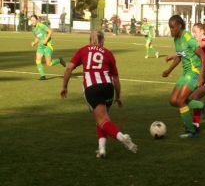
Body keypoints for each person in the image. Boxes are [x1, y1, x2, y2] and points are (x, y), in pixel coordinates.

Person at [60, 30, 137, 158]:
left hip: (92, 88)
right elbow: (116, 79)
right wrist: (118, 96)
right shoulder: (108, 53)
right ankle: (101, 149)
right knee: (102, 118)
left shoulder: (83, 50)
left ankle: (122, 137)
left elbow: (68, 68)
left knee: (102, 120)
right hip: (108, 87)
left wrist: (64, 86)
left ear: (90, 40)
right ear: (102, 41)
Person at [162, 15, 205, 138]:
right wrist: (168, 70)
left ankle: (191, 131)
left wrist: (201, 76)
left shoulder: (187, 36)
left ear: (179, 26)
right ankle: (201, 106)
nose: (171, 30)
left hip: (194, 72)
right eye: (170, 28)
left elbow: (202, 55)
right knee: (173, 101)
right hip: (186, 73)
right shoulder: (176, 39)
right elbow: (180, 56)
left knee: (181, 101)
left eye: (172, 27)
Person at [30, 14, 66, 80]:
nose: (32, 21)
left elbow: (50, 31)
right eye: (31, 20)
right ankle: (42, 76)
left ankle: (59, 60)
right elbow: (37, 37)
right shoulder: (33, 29)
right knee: (38, 60)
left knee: (49, 64)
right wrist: (34, 42)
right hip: (40, 46)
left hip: (48, 46)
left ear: (37, 20)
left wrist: (46, 40)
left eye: (33, 20)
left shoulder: (41, 26)